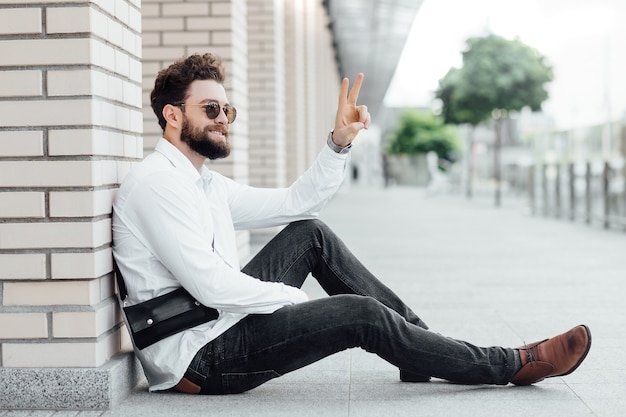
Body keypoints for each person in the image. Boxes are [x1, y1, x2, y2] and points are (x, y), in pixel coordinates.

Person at [112, 53, 591, 395]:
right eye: (211, 110)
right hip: (198, 358)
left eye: (227, 110)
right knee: (357, 313)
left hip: (217, 321)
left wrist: (338, 143)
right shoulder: (156, 185)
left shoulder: (204, 184)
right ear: (173, 116)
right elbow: (211, 286)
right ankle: (508, 364)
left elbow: (299, 204)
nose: (223, 120)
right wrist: (294, 300)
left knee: (309, 234)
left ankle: (421, 346)